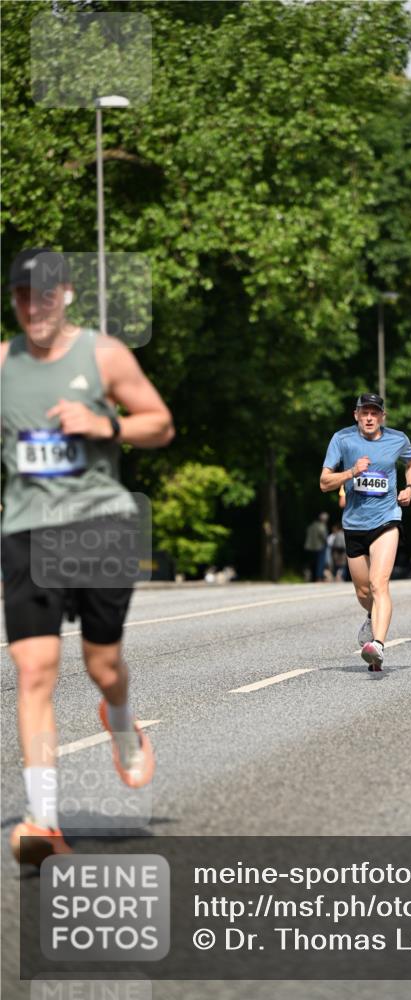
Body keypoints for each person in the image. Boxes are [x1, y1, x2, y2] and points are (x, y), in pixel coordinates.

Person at [1, 249, 174, 864]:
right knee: (34, 670)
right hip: (27, 532)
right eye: (22, 295)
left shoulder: (103, 354)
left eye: (44, 294)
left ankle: (120, 717)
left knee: (102, 666)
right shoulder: (2, 363)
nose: (34, 306)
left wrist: (109, 427)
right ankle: (43, 818)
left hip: (100, 527)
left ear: (67, 294)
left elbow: (160, 422)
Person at [320, 393, 411, 670]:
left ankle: (378, 645)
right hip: (354, 524)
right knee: (364, 592)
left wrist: (410, 488)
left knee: (379, 583)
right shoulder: (342, 439)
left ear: (382, 417)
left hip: (387, 519)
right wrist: (351, 471)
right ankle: (371, 616)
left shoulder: (398, 439)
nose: (369, 417)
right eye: (364, 412)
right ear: (356, 415)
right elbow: (324, 482)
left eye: (375, 413)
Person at [304, 512, 329, 582]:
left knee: (312, 563)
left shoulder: (311, 526)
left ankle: (312, 577)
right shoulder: (321, 526)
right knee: (320, 563)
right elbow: (324, 536)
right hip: (319, 547)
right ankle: (319, 577)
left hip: (309, 547)